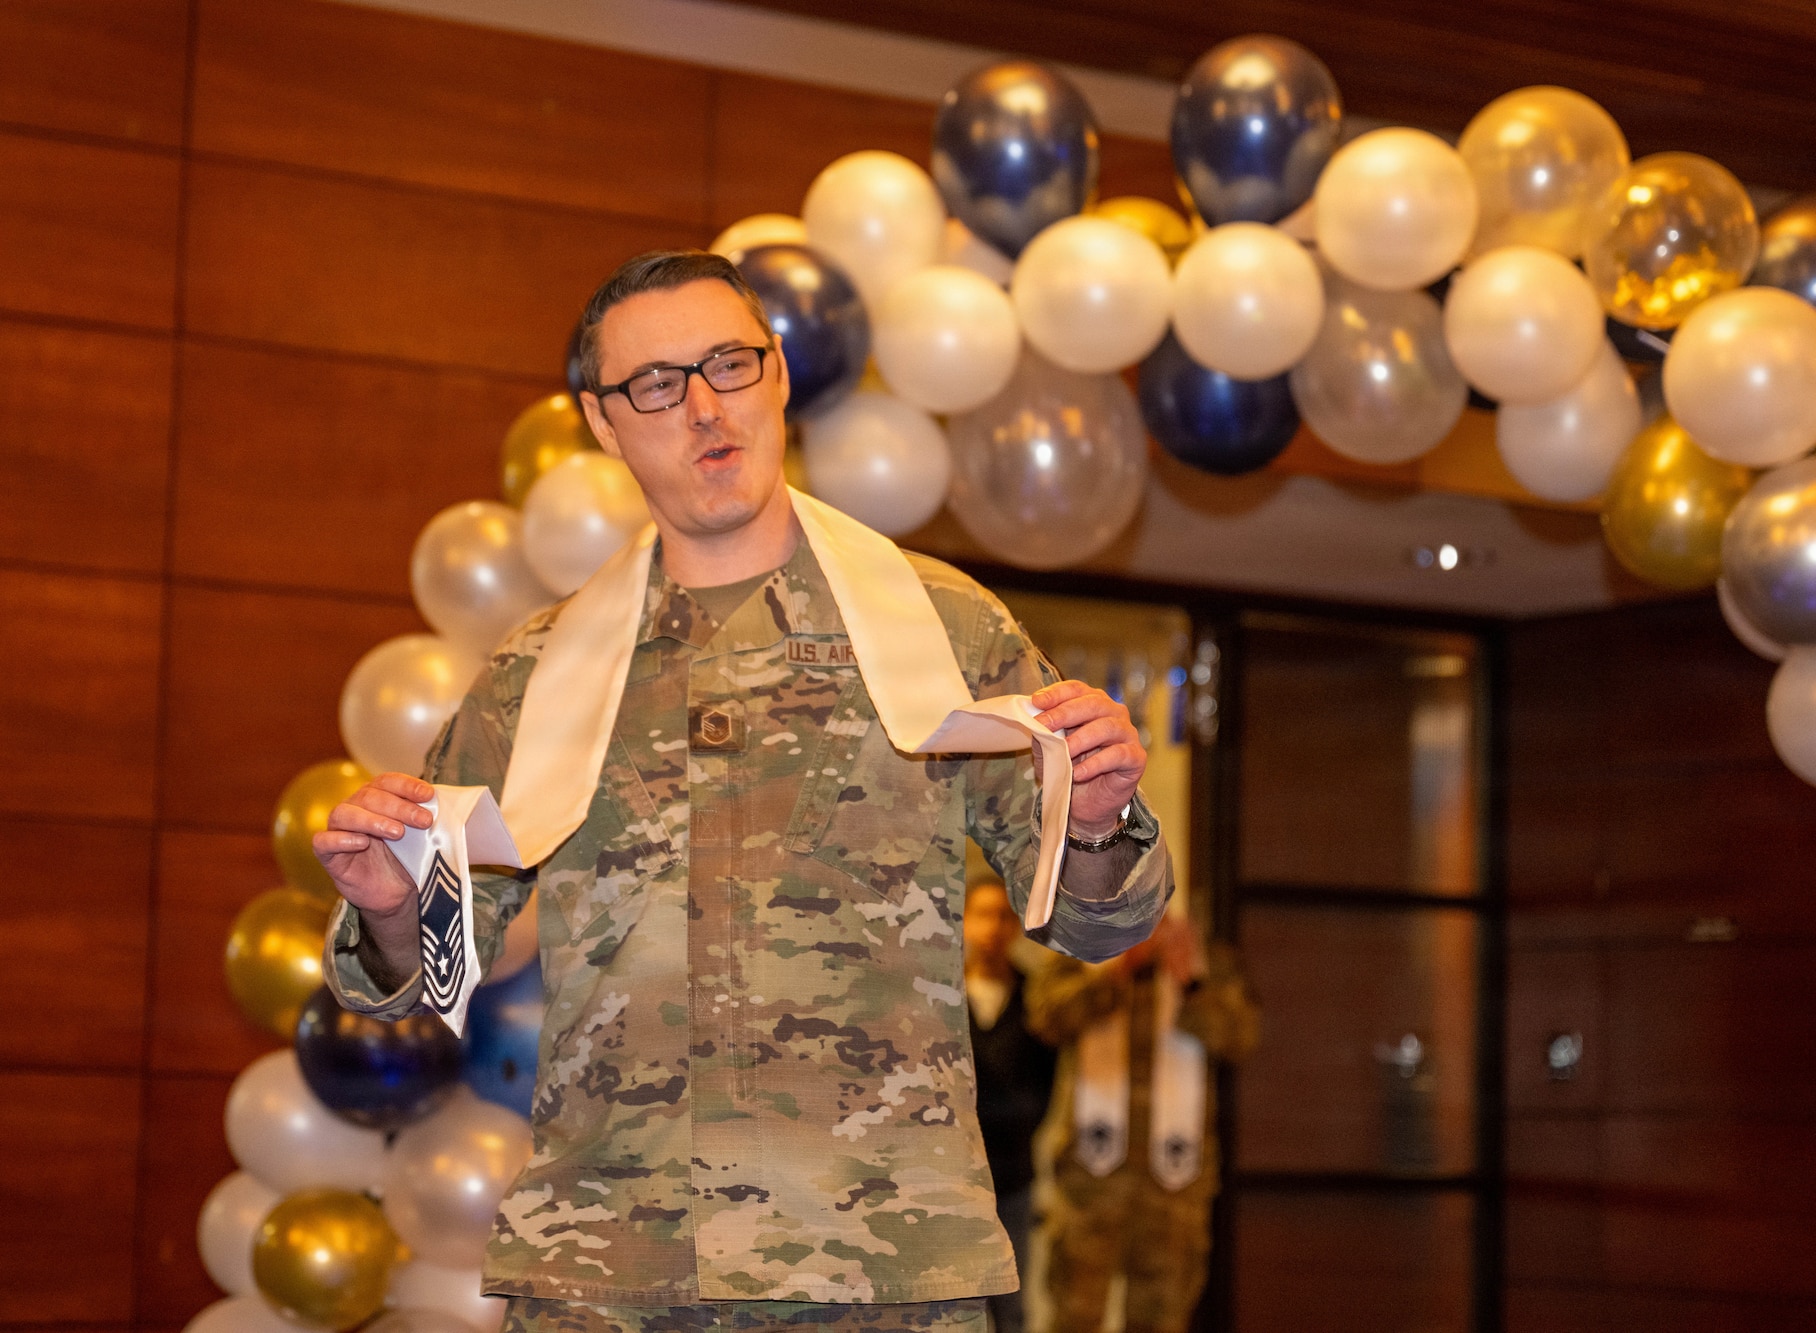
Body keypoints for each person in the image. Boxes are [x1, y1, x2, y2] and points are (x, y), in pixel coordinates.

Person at [311, 250, 1171, 1333]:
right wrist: (389, 909)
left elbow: (1099, 922)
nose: (705, 406)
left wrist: (1095, 819)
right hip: (608, 1274)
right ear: (602, 421)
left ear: (777, 378)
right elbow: (418, 971)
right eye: (658, 384)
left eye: (730, 362)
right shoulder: (540, 672)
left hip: (877, 1270)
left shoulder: (938, 628)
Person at [1027, 914, 1257, 1333]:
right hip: (1089, 1181)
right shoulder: (1078, 944)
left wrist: (1191, 983)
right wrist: (1116, 970)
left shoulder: (1208, 956)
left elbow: (1239, 1037)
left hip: (1174, 1185)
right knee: (1072, 1318)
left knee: (1161, 1319)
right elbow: (1047, 1017)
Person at [962, 875, 1057, 1333]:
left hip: (1013, 1176)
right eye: (982, 914)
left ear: (1017, 924)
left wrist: (1014, 1127)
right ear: (962, 922)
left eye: (1004, 916)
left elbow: (1046, 1090)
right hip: (952, 1181)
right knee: (957, 1302)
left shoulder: (1036, 999)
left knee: (1011, 1307)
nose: (993, 927)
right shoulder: (939, 996)